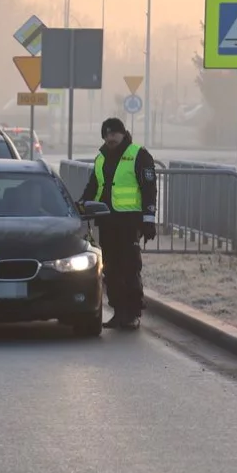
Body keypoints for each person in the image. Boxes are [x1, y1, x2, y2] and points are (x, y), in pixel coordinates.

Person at [80, 117, 158, 330]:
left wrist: (149, 220)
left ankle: (132, 313)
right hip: (107, 221)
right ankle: (118, 311)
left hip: (129, 222)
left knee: (129, 268)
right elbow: (93, 186)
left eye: (114, 133)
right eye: (106, 134)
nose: (110, 138)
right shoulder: (101, 158)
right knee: (111, 270)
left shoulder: (138, 155)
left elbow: (149, 189)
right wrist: (80, 207)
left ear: (123, 133)